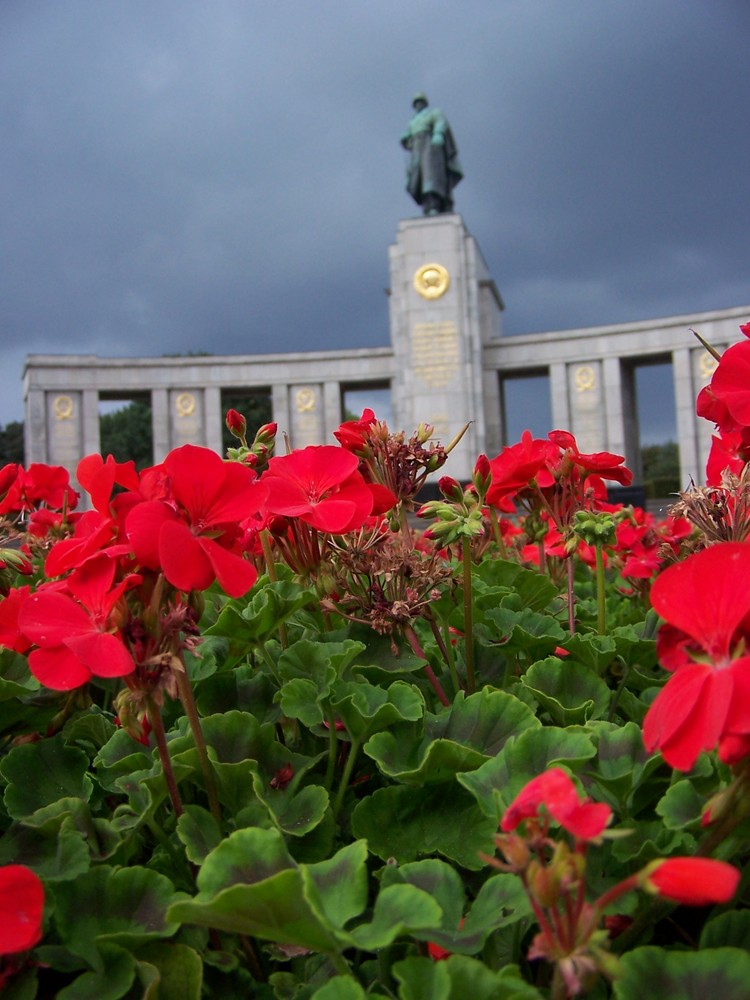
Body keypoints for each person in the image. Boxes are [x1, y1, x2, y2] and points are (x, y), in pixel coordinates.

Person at [400, 93, 463, 215]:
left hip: (430, 145)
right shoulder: (413, 120)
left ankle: (434, 205)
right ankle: (426, 206)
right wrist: (406, 139)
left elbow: (440, 122)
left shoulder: (433, 112)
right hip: (417, 148)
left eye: (420, 102)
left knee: (431, 176)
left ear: (424, 103)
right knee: (418, 177)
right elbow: (409, 136)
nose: (418, 105)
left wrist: (438, 133)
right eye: (416, 103)